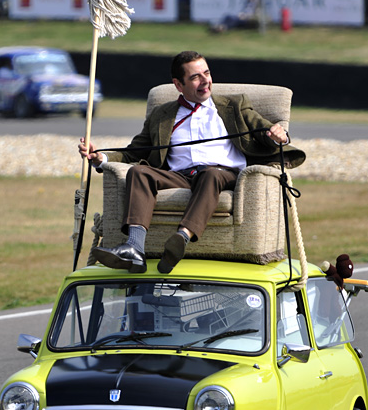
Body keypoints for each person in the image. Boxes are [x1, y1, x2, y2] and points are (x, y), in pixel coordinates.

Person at [78, 51, 304, 274]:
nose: (205, 80)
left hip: (223, 175)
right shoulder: (162, 115)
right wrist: (101, 158)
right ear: (178, 84)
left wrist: (277, 135)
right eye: (195, 77)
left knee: (210, 174)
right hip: (180, 177)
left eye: (206, 73)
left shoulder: (234, 105)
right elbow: (132, 153)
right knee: (139, 172)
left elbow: (265, 132)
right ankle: (135, 249)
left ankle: (181, 238)